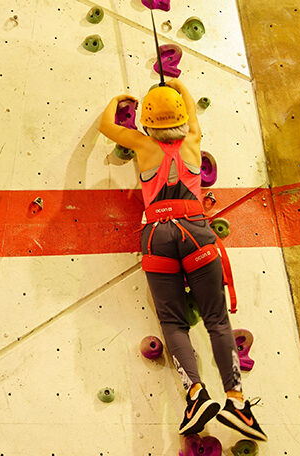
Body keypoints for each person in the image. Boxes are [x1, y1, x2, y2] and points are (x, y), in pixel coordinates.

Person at [98, 78, 267, 441]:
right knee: (216, 320)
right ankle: (237, 403)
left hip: (157, 235)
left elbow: (106, 126)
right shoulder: (192, 140)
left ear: (147, 122)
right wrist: (179, 87)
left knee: (173, 322)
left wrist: (118, 99)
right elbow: (191, 114)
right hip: (195, 232)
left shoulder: (142, 144)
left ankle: (196, 395)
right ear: (181, 118)